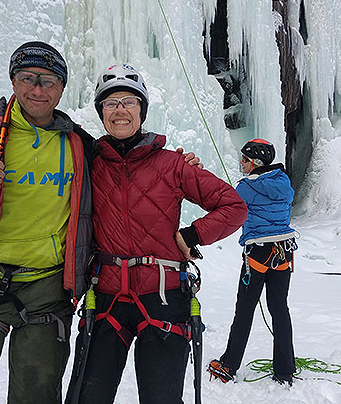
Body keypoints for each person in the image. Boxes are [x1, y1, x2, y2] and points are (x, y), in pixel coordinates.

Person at [0, 42, 202, 404]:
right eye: (28, 78)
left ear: (62, 88)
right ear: (14, 82)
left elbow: (127, 168)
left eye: (48, 81)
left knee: (37, 396)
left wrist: (178, 164)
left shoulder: (79, 144)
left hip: (47, 290)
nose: (38, 89)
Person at [65, 64, 248, 404]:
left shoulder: (172, 164)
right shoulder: (88, 163)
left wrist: (192, 235)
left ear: (142, 110)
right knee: (86, 397)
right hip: (105, 296)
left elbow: (233, 206)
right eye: (110, 102)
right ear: (101, 112)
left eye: (129, 101)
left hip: (162, 296)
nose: (120, 109)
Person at [207, 138, 297, 386]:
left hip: (257, 253)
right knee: (280, 310)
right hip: (284, 251)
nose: (241, 163)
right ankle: (285, 369)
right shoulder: (284, 182)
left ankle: (228, 365)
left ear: (255, 162)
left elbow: (228, 209)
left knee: (244, 311)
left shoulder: (246, 187)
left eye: (245, 159)